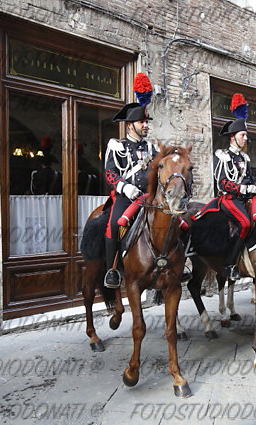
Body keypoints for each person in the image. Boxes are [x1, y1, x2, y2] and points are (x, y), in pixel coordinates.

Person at [103, 73, 158, 288]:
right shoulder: (117, 145)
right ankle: (112, 270)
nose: (145, 125)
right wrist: (125, 188)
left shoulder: (152, 148)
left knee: (175, 222)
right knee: (114, 226)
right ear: (129, 126)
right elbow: (109, 173)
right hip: (128, 197)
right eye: (141, 122)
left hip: (150, 197)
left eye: (146, 122)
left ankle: (175, 265)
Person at [212, 93, 256, 280]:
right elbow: (223, 182)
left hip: (243, 199)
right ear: (233, 137)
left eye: (246, 135)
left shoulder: (245, 158)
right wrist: (247, 190)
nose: (245, 139)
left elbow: (249, 178)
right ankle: (229, 264)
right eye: (243, 135)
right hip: (228, 199)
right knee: (245, 223)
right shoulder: (222, 155)